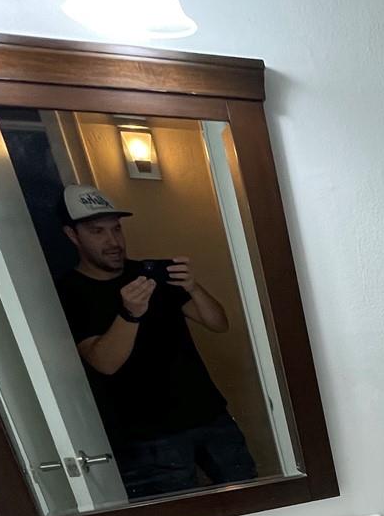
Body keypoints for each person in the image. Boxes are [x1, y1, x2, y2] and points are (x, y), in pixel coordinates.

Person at [53, 184, 258, 500]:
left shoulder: (148, 273)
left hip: (209, 415)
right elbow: (104, 363)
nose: (113, 241)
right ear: (72, 235)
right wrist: (130, 314)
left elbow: (219, 323)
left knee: (252, 499)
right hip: (145, 438)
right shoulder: (69, 291)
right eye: (97, 231)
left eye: (116, 229)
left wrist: (193, 287)